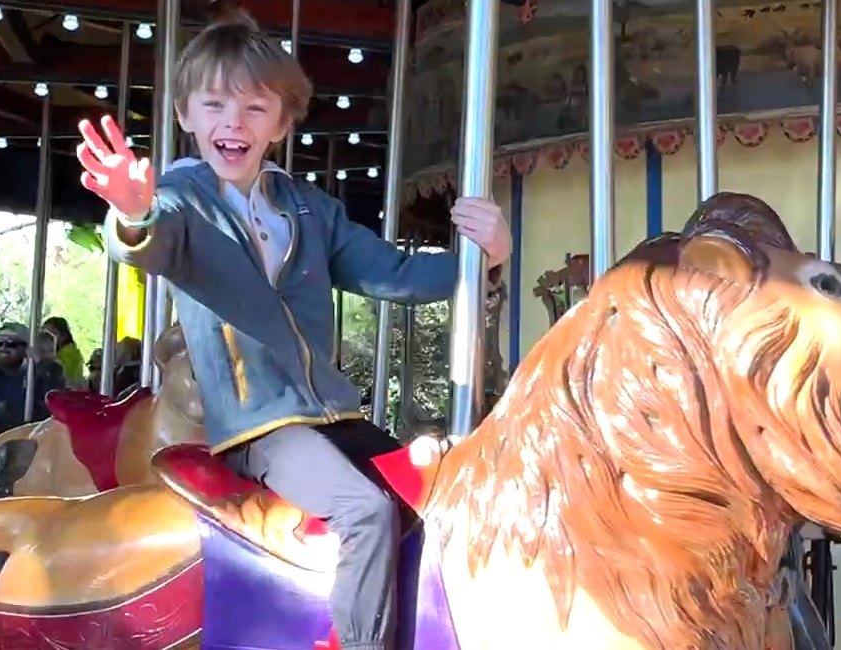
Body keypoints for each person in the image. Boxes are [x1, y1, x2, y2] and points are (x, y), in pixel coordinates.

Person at [75, 10, 510, 650]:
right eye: (215, 104)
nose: (233, 122)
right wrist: (133, 212)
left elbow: (392, 274)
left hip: (335, 414)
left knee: (438, 494)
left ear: (282, 122)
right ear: (186, 115)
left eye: (255, 108)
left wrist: (487, 259)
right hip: (262, 428)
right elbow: (148, 242)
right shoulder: (181, 200)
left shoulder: (310, 209)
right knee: (363, 511)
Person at [41, 316, 86, 388]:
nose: (48, 338)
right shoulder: (59, 352)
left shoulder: (70, 352)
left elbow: (61, 370)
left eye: (53, 334)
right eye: (45, 335)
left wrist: (46, 357)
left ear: (64, 335)